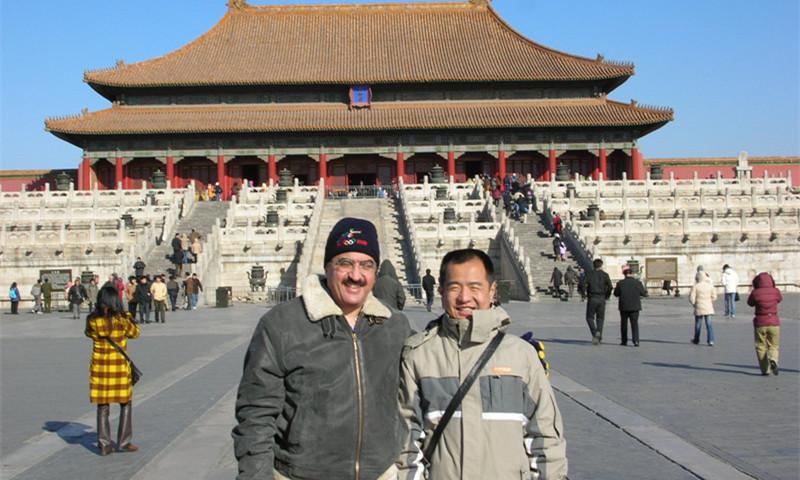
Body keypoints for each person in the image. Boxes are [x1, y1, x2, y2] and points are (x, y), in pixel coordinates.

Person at [232, 217, 412, 480]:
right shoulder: (283, 324)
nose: (356, 275)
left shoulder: (395, 326)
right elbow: (256, 414)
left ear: (376, 272)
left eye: (366, 265)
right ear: (327, 267)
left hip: (381, 474)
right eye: (344, 263)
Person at [397, 248, 567, 479]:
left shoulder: (521, 356)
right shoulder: (419, 355)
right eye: (454, 286)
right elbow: (406, 442)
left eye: (475, 287)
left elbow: (545, 438)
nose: (464, 297)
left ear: (492, 290)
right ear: (441, 290)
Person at [84, 285, 141, 456]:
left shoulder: (92, 320)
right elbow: (135, 333)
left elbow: (88, 334)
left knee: (103, 406)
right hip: (118, 368)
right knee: (125, 403)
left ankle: (104, 444)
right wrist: (127, 316)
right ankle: (124, 441)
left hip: (100, 368)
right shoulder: (121, 319)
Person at [747, 272, 782, 375]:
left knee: (760, 346)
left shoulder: (755, 292)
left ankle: (765, 370)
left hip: (760, 322)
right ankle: (773, 360)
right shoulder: (776, 291)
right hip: (774, 322)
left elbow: (750, 303)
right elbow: (780, 299)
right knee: (774, 345)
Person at [613, 266, 648, 346]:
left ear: (624, 274)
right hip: (635, 306)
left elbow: (616, 294)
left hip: (624, 306)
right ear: (632, 273)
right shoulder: (637, 283)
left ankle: (624, 341)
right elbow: (643, 293)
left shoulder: (620, 283)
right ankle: (636, 340)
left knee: (624, 324)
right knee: (634, 324)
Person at [584, 258, 612, 345]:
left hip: (592, 297)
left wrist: (584, 293)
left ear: (593, 265)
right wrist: (607, 296)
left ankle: (595, 332)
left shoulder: (589, 274)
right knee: (600, 318)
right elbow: (610, 286)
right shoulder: (605, 275)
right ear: (601, 265)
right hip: (602, 298)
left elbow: (582, 284)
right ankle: (599, 335)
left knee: (589, 317)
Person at [689, 271, 717, 346]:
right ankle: (711, 340)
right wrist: (709, 301)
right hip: (708, 307)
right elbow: (714, 297)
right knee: (709, 324)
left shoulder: (696, 286)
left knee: (698, 324)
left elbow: (692, 298)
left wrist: (694, 304)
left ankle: (696, 339)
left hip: (699, 306)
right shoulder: (710, 286)